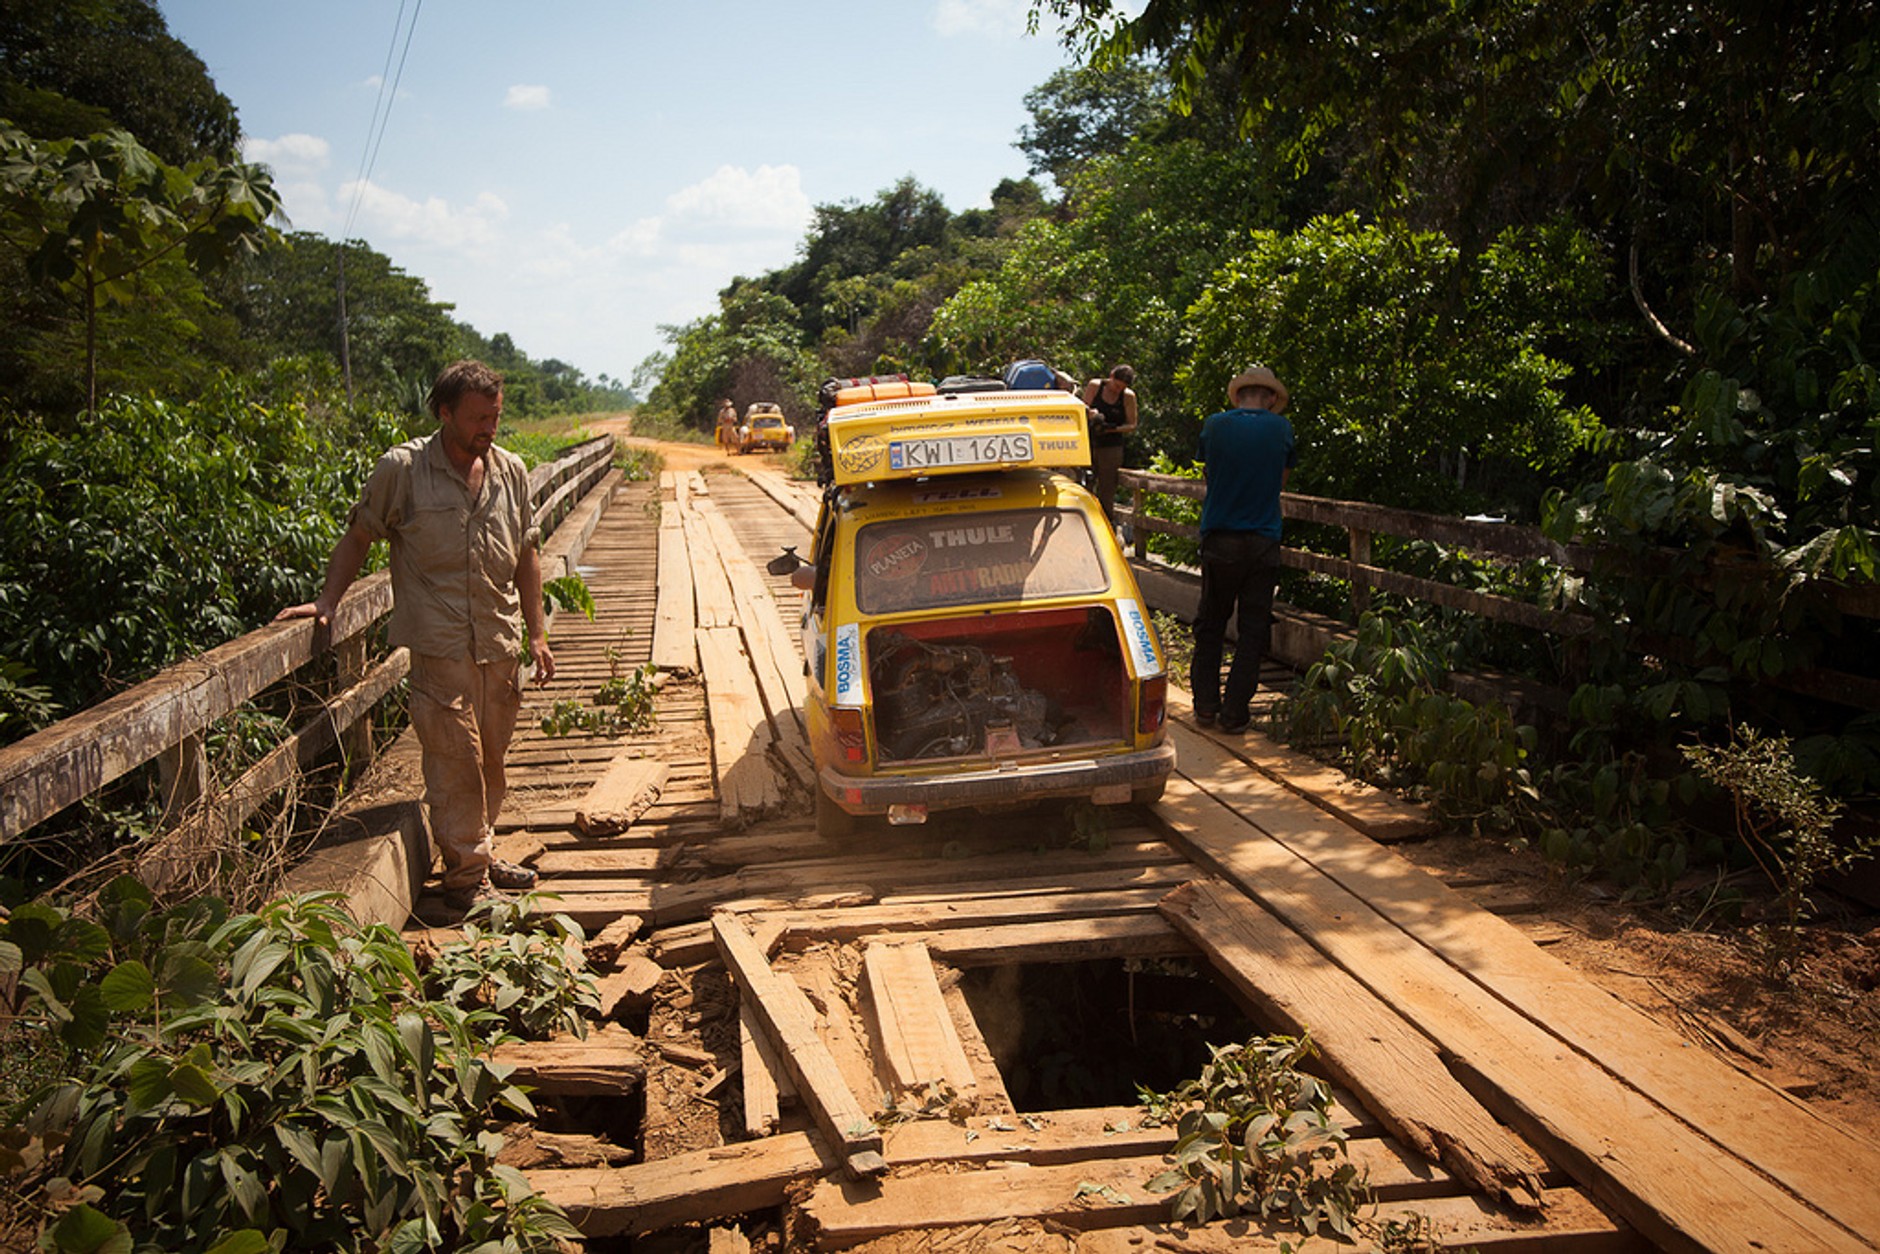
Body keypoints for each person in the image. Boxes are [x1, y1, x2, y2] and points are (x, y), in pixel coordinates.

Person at [277, 359, 553, 912]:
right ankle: (468, 876)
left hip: (498, 642)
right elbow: (360, 535)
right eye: (477, 419)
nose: (488, 430)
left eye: (495, 418)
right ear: (444, 413)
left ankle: (478, 849)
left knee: (492, 758)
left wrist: (537, 633)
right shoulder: (402, 470)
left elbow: (526, 555)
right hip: (438, 644)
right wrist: (328, 600)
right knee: (455, 758)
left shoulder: (510, 471)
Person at [1191, 364, 1296, 735]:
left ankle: (1205, 705)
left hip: (1219, 537)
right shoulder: (1281, 429)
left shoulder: (1214, 425)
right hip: (1262, 540)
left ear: (1239, 396)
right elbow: (1279, 481)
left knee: (1211, 624)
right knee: (1252, 630)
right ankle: (1235, 713)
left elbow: (1210, 473)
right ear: (1269, 397)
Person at [1081, 364, 1139, 526]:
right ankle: (1083, 521)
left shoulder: (1128, 397)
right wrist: (1092, 414)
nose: (1117, 390)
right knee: (1086, 483)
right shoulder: (1095, 386)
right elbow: (1082, 407)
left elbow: (1132, 424)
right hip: (1090, 441)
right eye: (1116, 385)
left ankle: (1107, 523)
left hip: (1111, 445)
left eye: (1121, 388)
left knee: (1107, 489)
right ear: (1111, 376)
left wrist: (1112, 428)